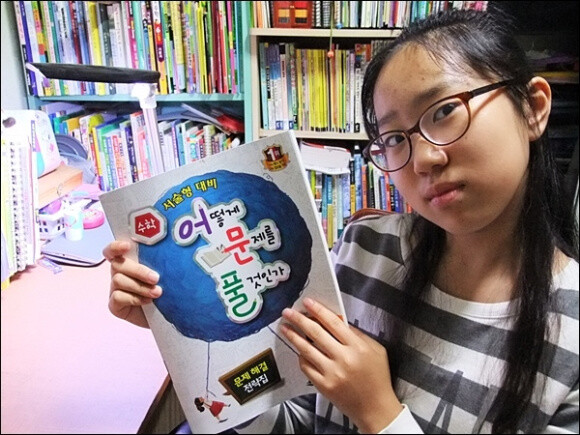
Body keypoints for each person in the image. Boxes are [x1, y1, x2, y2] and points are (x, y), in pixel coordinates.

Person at [104, 8, 579, 434]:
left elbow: (363, 411)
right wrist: (178, 336)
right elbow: (299, 419)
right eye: (394, 139)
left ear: (533, 107)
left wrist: (378, 414)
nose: (423, 160)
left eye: (445, 111)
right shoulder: (363, 251)